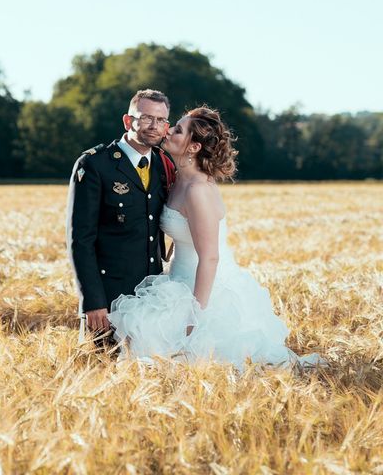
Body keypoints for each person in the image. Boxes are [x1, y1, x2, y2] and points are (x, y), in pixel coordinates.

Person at [108, 106, 322, 369]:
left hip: (206, 288)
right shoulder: (177, 181)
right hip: (177, 281)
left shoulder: (198, 189)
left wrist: (195, 315)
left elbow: (209, 257)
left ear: (194, 147)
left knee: (195, 359)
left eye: (177, 130)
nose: (168, 130)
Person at [66, 89, 176, 343]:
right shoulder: (95, 164)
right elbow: (80, 240)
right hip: (109, 298)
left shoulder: (163, 164)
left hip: (152, 295)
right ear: (128, 121)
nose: (154, 126)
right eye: (146, 118)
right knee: (100, 371)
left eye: (161, 120)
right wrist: (92, 301)